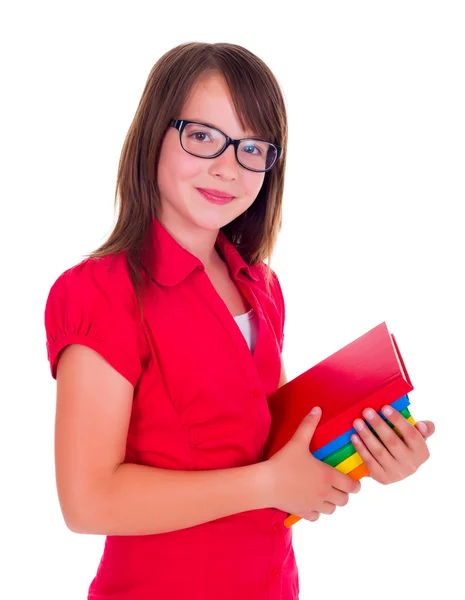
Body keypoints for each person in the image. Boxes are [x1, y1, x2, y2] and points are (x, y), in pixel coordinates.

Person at [44, 42, 435, 600]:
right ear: (154, 134)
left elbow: (271, 455)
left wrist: (368, 455)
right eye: (202, 136)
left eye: (252, 147)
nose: (228, 167)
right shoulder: (100, 292)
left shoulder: (261, 287)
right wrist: (268, 483)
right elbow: (87, 502)